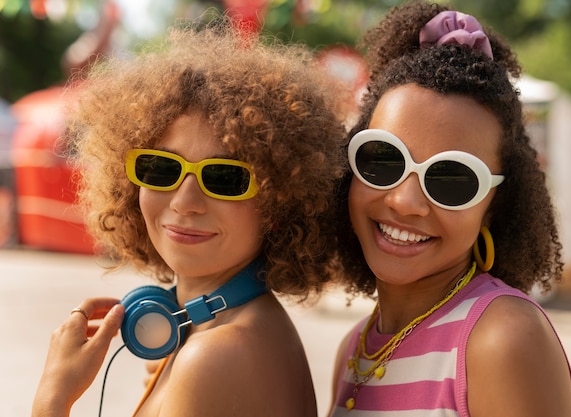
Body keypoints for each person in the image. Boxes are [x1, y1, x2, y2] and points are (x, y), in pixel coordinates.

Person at [31, 20, 349, 417]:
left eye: (226, 178)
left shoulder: (215, 356)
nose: (185, 201)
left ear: (278, 205)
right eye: (162, 168)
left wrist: (52, 398)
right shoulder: (210, 330)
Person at [328, 2, 571, 416]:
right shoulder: (352, 351)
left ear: (495, 205)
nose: (404, 201)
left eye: (452, 179)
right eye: (384, 160)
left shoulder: (501, 338)